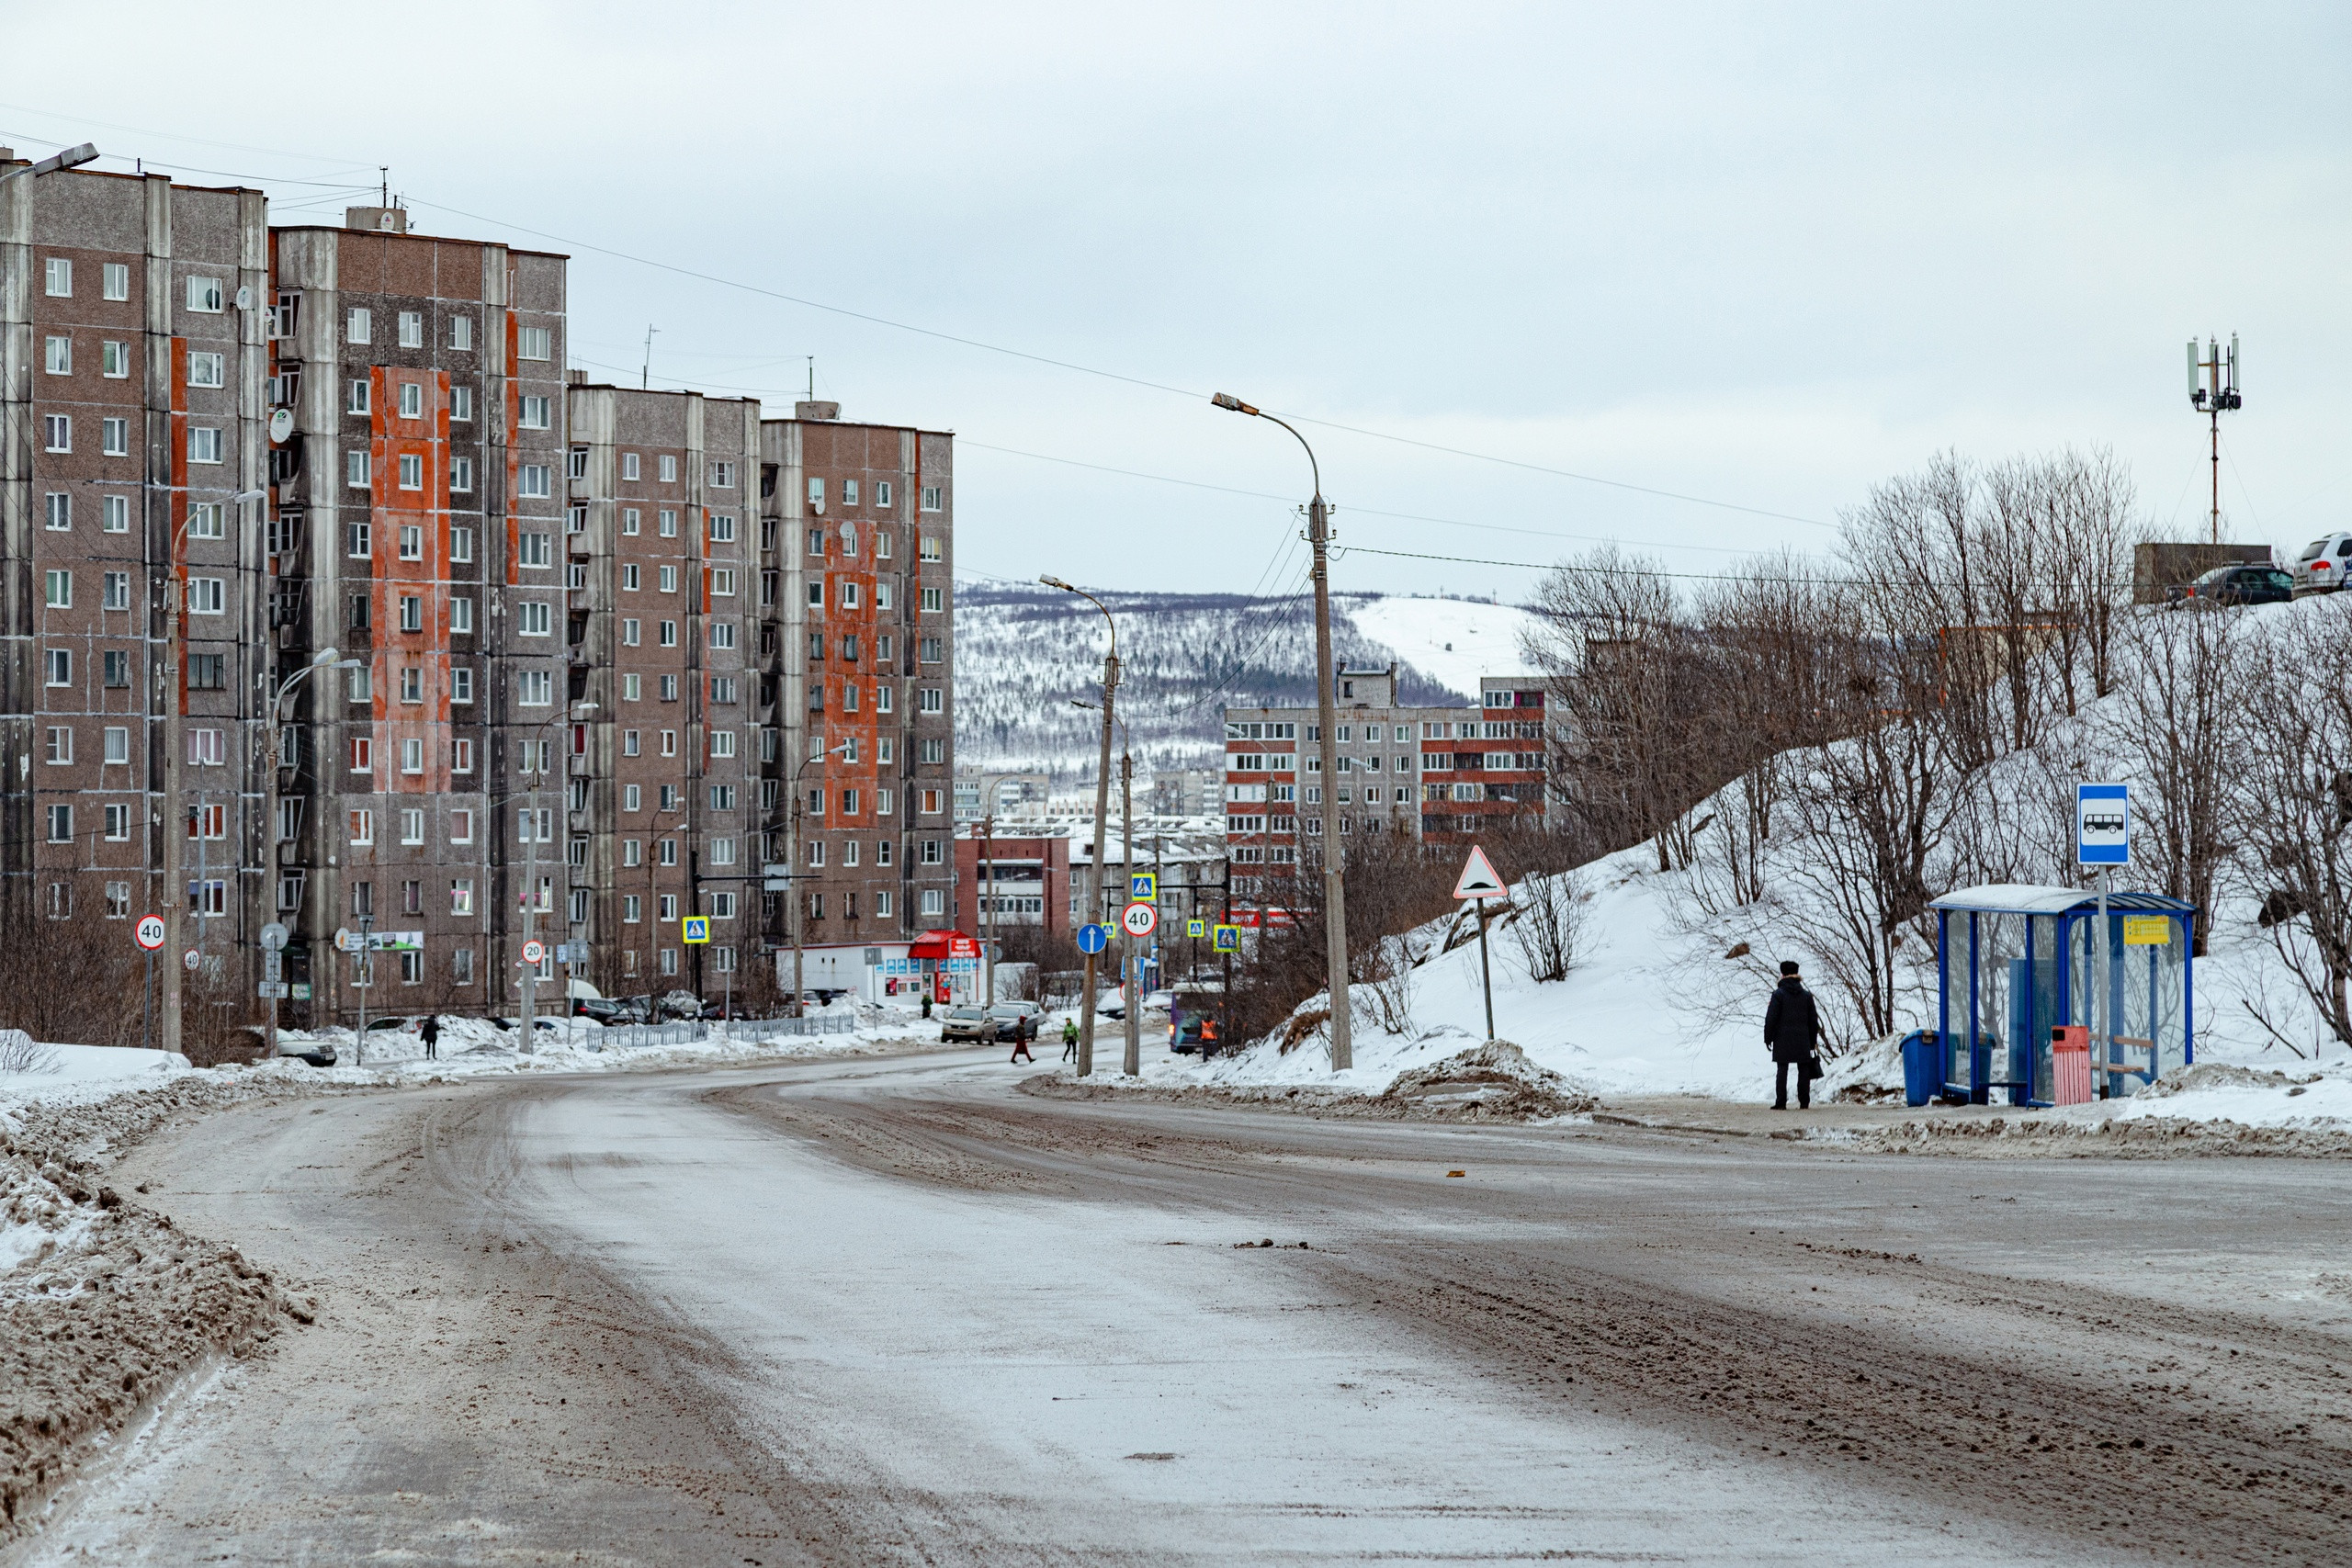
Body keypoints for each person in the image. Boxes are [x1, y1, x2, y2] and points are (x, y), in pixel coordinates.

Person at [1763, 960, 1821, 1110]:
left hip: (1782, 1038)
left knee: (1782, 1068)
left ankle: (1781, 1102)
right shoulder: (1807, 996)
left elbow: (1771, 1018)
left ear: (1782, 975)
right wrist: (1813, 1040)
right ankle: (1804, 1102)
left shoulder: (1778, 995)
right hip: (1803, 1038)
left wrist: (1768, 1038)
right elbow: (1813, 1020)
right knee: (1804, 1068)